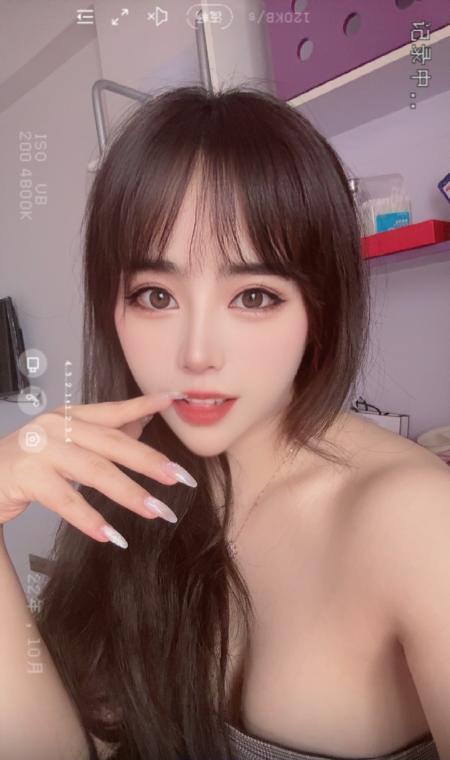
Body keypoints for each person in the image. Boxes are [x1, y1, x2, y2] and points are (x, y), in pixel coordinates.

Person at [0, 85, 447, 760]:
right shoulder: (133, 485)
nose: (197, 354)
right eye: (156, 296)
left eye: (254, 295)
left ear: (320, 307)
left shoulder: (417, 521)